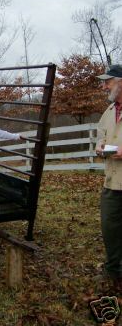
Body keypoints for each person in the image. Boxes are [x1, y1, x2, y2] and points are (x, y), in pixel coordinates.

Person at [95, 64, 122, 291]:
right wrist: (100, 146)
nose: (104, 85)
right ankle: (114, 270)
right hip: (112, 181)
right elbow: (100, 137)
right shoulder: (108, 112)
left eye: (109, 81)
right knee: (109, 226)